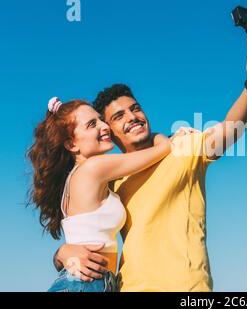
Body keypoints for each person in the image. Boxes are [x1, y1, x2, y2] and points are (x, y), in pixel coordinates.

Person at [53, 35, 247, 291]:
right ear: (110, 132)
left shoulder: (183, 147)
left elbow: (230, 130)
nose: (133, 117)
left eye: (135, 108)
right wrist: (61, 253)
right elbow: (87, 231)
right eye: (118, 116)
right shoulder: (111, 180)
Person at [28, 98, 188, 291]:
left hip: (89, 283)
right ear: (72, 144)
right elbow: (162, 150)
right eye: (92, 124)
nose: (105, 126)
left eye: (100, 120)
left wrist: (60, 254)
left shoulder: (83, 177)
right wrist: (170, 137)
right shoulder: (95, 167)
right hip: (85, 284)